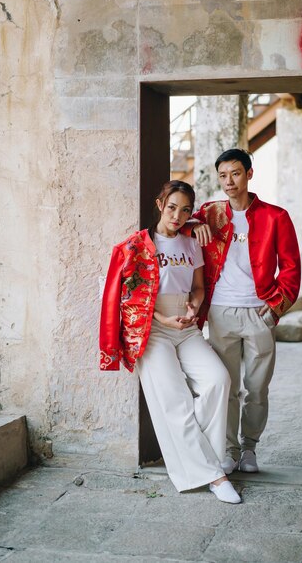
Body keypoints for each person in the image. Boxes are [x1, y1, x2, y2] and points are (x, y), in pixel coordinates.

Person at [99, 180, 241, 504]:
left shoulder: (191, 243)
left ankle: (198, 460)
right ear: (160, 203)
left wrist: (193, 305)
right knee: (174, 399)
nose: (178, 215)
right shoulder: (137, 246)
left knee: (218, 380)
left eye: (186, 210)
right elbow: (127, 300)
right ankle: (215, 476)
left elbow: (199, 287)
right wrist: (162, 319)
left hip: (186, 325)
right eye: (173, 207)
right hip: (153, 328)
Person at [186, 149, 301, 475]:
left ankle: (250, 449)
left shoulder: (275, 217)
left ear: (249, 174)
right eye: (223, 175)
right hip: (220, 312)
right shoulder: (209, 214)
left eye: (235, 173)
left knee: (257, 388)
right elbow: (176, 225)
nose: (229, 182)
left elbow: (291, 268)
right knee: (226, 386)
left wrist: (274, 309)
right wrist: (193, 226)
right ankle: (230, 451)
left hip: (258, 313)